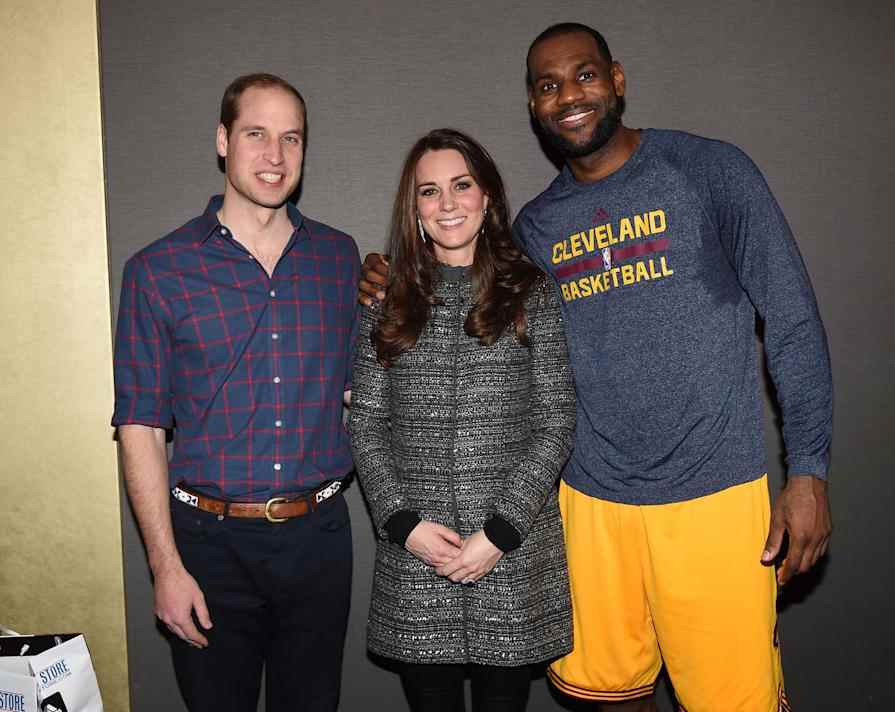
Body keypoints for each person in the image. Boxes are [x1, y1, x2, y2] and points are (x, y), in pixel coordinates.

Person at [358, 23, 833, 712]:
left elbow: (792, 321)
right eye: (548, 86)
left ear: (617, 78)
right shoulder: (537, 230)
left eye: (583, 75)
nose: (568, 97)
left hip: (714, 496)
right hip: (590, 505)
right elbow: (465, 302)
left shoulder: (710, 172)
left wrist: (809, 471)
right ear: (532, 105)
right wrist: (389, 275)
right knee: (605, 697)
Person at [112, 73, 360, 711]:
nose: (274, 156)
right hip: (207, 545)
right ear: (223, 141)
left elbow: (365, 385)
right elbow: (139, 425)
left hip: (320, 540)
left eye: (291, 139)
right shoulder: (156, 272)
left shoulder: (339, 259)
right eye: (256, 134)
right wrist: (165, 567)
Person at [348, 128, 575, 712]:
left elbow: (556, 421)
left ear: (488, 198)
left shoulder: (531, 293)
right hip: (417, 557)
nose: (447, 204)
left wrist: (500, 533)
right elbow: (367, 423)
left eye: (461, 186)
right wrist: (405, 526)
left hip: (510, 554)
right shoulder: (385, 300)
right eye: (429, 191)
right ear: (414, 208)